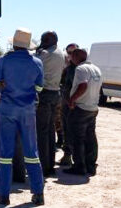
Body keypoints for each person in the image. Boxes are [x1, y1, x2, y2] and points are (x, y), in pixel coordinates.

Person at [0, 28, 46, 206]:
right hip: (28, 110)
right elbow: (39, 88)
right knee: (31, 151)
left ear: (13, 44)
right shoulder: (37, 62)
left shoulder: (4, 60)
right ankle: (38, 193)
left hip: (7, 109)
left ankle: (3, 194)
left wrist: (5, 84)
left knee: (6, 153)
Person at [63, 48, 102, 177]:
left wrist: (72, 100)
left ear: (76, 57)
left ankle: (79, 166)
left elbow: (83, 85)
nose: (70, 59)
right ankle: (91, 165)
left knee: (77, 138)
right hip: (92, 108)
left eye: (72, 56)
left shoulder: (80, 69)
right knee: (90, 137)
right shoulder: (96, 69)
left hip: (81, 108)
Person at [35, 31, 67, 177]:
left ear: (50, 40)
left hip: (45, 93)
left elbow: (33, 62)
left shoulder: (45, 54)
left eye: (44, 39)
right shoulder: (62, 53)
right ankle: (50, 164)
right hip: (55, 93)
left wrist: (38, 50)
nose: (42, 41)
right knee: (50, 129)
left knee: (41, 131)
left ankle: (43, 165)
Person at [58, 43, 79, 167]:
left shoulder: (80, 69)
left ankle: (76, 159)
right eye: (69, 53)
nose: (71, 55)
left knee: (76, 131)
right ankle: (67, 156)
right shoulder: (67, 69)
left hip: (76, 104)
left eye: (74, 53)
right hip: (66, 103)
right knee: (66, 129)